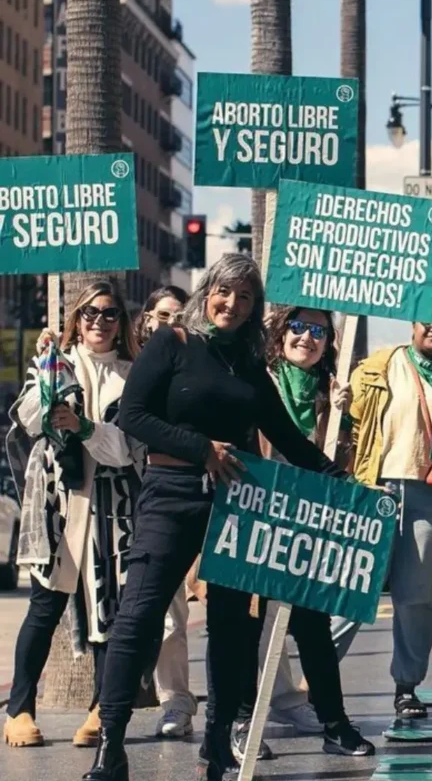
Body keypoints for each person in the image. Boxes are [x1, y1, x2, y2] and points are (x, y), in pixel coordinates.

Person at [82, 254, 347, 781]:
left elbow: (287, 436)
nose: (233, 304)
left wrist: (343, 480)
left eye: (246, 297)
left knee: (232, 627)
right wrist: (201, 448)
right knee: (138, 617)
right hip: (171, 493)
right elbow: (133, 416)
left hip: (234, 501)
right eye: (225, 292)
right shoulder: (173, 342)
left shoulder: (247, 363)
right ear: (207, 292)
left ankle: (219, 741)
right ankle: (111, 746)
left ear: (255, 307)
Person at [227, 304, 371, 761]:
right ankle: (242, 722)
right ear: (281, 332)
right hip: (255, 517)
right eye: (298, 327)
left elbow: (342, 464)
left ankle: (334, 723)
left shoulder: (333, 396)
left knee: (313, 628)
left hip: (309, 526)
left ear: (328, 344)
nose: (306, 337)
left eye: (318, 332)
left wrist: (342, 421)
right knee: (248, 626)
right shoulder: (256, 380)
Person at [3, 282, 142, 750]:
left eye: (109, 313)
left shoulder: (134, 375)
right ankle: (19, 710)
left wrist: (84, 427)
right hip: (59, 505)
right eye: (89, 313)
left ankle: (101, 709)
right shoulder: (54, 360)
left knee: (109, 610)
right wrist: (47, 372)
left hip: (113, 508)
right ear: (76, 320)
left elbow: (127, 450)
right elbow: (28, 420)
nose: (99, 322)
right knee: (44, 608)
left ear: (121, 321)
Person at [348, 290, 432, 722]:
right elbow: (350, 423)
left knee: (418, 599)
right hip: (379, 488)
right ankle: (313, 685)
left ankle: (406, 687)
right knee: (350, 589)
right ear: (411, 324)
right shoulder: (378, 367)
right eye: (428, 319)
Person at [135, 286, 200, 740]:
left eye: (179, 315)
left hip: (190, 496)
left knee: (241, 607)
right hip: (135, 504)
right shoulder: (130, 364)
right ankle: (172, 701)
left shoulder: (196, 361)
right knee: (162, 615)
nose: (170, 323)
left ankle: (252, 704)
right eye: (162, 315)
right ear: (146, 319)